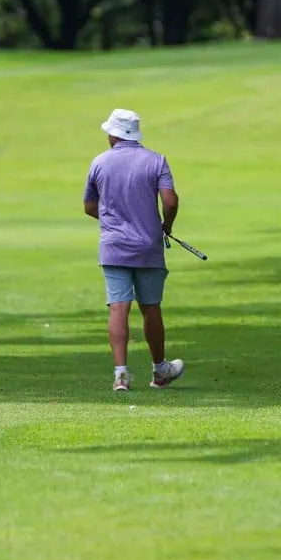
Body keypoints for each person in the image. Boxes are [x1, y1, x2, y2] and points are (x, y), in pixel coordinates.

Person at [83, 108, 184, 393]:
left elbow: (90, 206)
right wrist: (166, 224)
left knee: (118, 308)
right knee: (150, 308)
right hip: (148, 245)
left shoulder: (100, 163)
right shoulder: (156, 161)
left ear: (113, 134)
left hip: (114, 246)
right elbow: (171, 201)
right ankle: (160, 370)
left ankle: (121, 375)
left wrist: (115, 221)